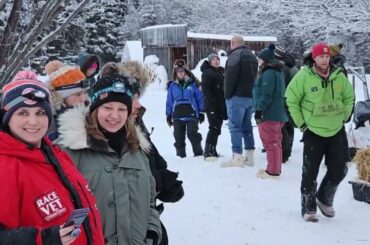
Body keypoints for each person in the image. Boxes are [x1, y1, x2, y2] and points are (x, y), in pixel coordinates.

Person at [0, 70, 104, 244]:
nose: (33, 122)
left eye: (40, 113)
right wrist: (44, 239)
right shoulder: (5, 166)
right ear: (7, 118)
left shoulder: (55, 154)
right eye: (23, 113)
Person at [57, 73, 162, 244]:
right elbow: (62, 210)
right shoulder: (71, 151)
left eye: (121, 109)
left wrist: (152, 233)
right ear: (95, 109)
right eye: (107, 108)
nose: (115, 116)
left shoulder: (137, 151)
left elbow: (149, 205)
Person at [116, 61, 184, 245]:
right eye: (132, 97)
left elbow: (152, 157)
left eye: (139, 95)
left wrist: (164, 177)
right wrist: (157, 181)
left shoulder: (135, 121)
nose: (138, 104)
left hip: (146, 214)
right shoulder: (115, 135)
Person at [285, 43, 355, 222]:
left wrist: (345, 116)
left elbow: (349, 96)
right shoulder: (304, 76)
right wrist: (301, 123)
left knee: (340, 169)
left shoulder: (339, 76)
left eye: (326, 56)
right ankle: (308, 207)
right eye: (320, 56)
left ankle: (324, 199)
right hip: (313, 131)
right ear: (314, 58)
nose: (324, 60)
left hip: (336, 130)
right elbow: (291, 99)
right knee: (310, 172)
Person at [222, 34, 258, 167]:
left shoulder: (234, 56)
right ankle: (250, 157)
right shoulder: (252, 56)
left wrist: (227, 95)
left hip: (236, 97)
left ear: (232, 43)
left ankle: (237, 156)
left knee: (235, 127)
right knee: (247, 126)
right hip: (249, 96)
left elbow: (230, 77)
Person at [253, 44, 288, 178]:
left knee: (271, 143)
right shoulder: (277, 71)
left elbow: (266, 94)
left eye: (260, 60)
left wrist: (259, 109)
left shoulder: (269, 73)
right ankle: (274, 168)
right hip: (277, 112)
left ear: (265, 60)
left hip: (270, 113)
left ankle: (273, 171)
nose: (259, 62)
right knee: (275, 142)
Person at [166, 59, 204, 158]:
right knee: (178, 137)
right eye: (178, 71)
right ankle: (181, 158)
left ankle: (199, 155)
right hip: (177, 115)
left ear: (185, 71)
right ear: (175, 72)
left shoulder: (193, 83)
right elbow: (169, 101)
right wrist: (168, 115)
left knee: (192, 134)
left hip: (192, 114)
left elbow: (199, 98)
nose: (180, 73)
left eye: (182, 71)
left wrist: (201, 112)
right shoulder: (172, 86)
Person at [47, 65, 90, 141]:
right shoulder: (48, 124)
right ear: (60, 98)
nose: (83, 99)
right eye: (77, 94)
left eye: (85, 92)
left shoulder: (92, 116)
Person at [201, 53, 228, 160]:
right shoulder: (207, 73)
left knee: (217, 128)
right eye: (214, 60)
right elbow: (206, 90)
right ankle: (208, 151)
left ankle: (213, 150)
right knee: (214, 127)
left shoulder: (219, 72)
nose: (216, 61)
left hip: (220, 105)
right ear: (209, 61)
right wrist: (211, 104)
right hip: (212, 106)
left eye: (218, 59)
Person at [274, 45, 299, 163]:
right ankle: (288, 147)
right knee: (288, 124)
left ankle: (285, 150)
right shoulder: (292, 66)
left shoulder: (283, 68)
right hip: (292, 98)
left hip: (285, 98)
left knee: (283, 125)